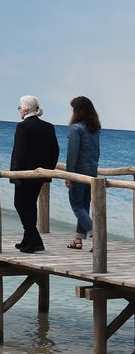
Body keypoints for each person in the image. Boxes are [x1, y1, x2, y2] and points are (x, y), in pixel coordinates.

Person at [9, 95, 60, 253]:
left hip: (25, 174)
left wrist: (15, 175)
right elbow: (55, 151)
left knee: (20, 204)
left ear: (25, 109)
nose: (19, 110)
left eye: (19, 108)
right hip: (40, 174)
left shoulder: (23, 127)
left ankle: (36, 240)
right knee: (30, 205)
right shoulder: (49, 127)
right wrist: (48, 169)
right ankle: (28, 240)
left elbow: (19, 153)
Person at [65, 96, 102, 251]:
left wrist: (69, 175)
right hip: (92, 172)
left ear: (77, 111)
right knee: (84, 207)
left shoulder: (76, 129)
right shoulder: (95, 129)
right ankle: (78, 240)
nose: (71, 111)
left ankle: (97, 234)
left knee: (77, 206)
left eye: (73, 108)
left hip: (78, 173)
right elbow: (97, 152)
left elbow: (72, 155)